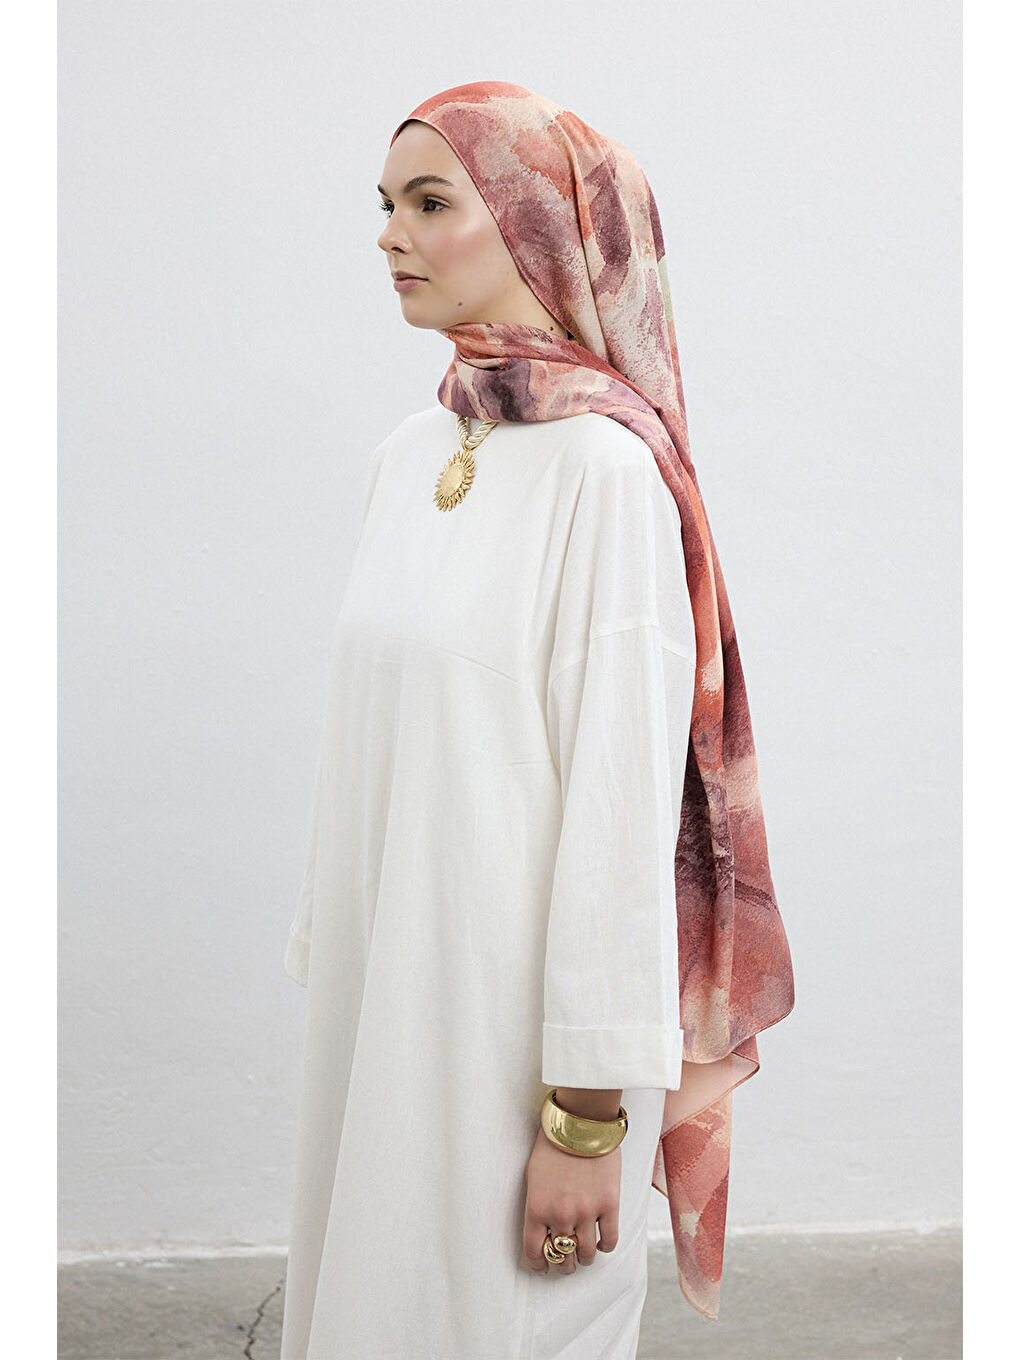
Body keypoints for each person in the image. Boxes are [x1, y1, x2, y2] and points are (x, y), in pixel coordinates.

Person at [279, 82, 795, 1360]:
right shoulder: (413, 452)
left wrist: (583, 1116)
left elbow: (621, 812)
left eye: (430, 203)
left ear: (540, 226)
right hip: (390, 998)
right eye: (385, 205)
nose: (390, 235)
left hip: (515, 1042)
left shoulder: (607, 474)